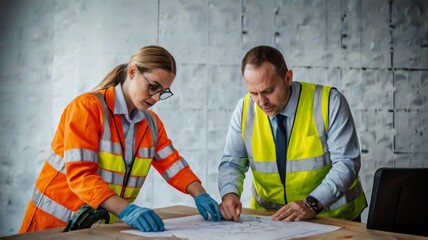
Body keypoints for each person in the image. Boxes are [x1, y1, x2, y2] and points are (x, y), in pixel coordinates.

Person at [19, 45, 221, 233]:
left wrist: (200, 194)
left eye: (163, 92)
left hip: (93, 229)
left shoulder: (151, 124)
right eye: (153, 87)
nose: (157, 98)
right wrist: (127, 211)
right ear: (132, 72)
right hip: (51, 227)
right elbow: (81, 174)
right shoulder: (87, 108)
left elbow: (173, 165)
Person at [218, 45, 367, 223]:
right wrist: (229, 194)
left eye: (268, 91)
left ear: (288, 78)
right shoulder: (244, 109)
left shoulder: (329, 102)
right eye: (253, 93)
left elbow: (346, 163)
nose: (261, 102)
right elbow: (232, 163)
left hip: (333, 219)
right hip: (271, 223)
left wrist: (312, 203)